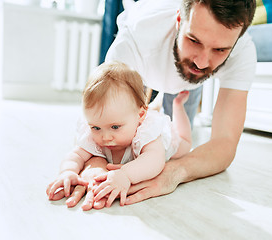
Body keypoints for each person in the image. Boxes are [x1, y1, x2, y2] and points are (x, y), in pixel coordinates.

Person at [50, 0, 257, 209]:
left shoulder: (243, 50)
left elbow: (225, 143)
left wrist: (174, 172)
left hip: (188, 85)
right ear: (179, 20)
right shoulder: (136, 38)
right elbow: (104, 121)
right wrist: (95, 167)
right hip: (147, 55)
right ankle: (156, 103)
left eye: (220, 50)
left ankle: (163, 102)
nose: (202, 62)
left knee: (181, 133)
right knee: (127, 124)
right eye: (194, 40)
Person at [47, 61, 193, 209]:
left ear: (140, 116)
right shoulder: (96, 131)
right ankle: (158, 103)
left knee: (185, 144)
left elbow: (154, 161)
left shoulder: (147, 133)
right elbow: (76, 155)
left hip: (170, 142)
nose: (105, 137)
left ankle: (178, 106)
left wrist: (126, 175)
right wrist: (68, 171)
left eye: (115, 127)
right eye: (96, 127)